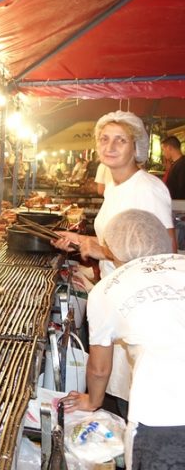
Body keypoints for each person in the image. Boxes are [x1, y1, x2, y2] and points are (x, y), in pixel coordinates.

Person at [53, 110, 176, 414]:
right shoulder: (115, 185)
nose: (110, 146)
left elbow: (163, 250)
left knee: (139, 394)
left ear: (137, 147)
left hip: (138, 304)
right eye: (104, 139)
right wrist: (83, 242)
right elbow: (121, 240)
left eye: (120, 140)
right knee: (123, 387)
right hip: (118, 296)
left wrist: (100, 250)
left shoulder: (146, 188)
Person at [60, 209, 185, 469]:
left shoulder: (108, 288)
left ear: (111, 250)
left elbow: (99, 367)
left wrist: (92, 401)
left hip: (164, 413)